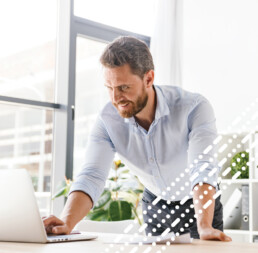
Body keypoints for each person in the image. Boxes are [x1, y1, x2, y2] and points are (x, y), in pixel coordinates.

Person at [43, 36, 231, 241]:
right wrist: (66, 222)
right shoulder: (107, 120)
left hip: (200, 205)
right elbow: (91, 175)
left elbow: (202, 166)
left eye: (123, 87)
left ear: (148, 79)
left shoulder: (194, 107)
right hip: (155, 205)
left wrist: (204, 225)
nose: (115, 99)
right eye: (109, 88)